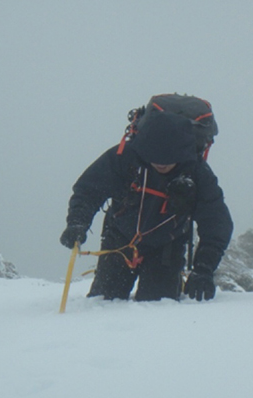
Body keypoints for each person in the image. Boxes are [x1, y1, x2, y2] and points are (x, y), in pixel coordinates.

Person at [60, 97, 233, 302]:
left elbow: (216, 223)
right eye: (155, 159)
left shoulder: (197, 174)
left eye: (168, 161)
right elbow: (89, 190)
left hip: (167, 247)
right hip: (119, 241)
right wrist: (77, 222)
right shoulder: (123, 157)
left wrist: (203, 269)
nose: (161, 164)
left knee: (158, 306)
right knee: (103, 302)